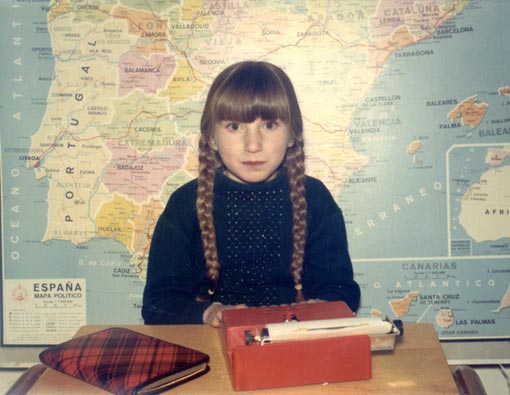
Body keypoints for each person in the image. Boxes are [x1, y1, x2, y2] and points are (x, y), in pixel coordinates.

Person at [142, 61, 360, 327]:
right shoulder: (185, 204)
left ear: (292, 135)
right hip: (211, 348)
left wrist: (322, 308)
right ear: (211, 137)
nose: (253, 145)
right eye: (235, 127)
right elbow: (158, 305)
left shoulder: (314, 198)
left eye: (269, 125)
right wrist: (209, 313)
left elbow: (342, 292)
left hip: (293, 347)